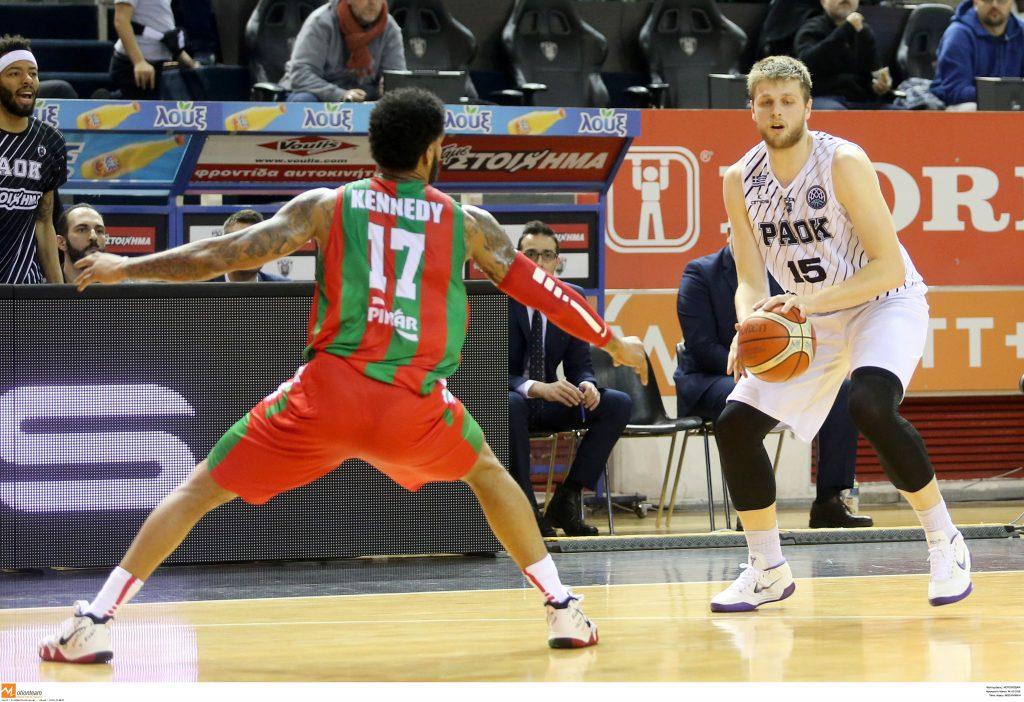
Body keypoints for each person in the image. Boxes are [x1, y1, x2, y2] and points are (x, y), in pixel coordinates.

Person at [37, 88, 648, 664]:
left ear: (373, 148)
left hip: (327, 394)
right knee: (490, 476)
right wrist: (608, 336)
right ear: (433, 148)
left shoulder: (329, 205)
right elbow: (540, 288)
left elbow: (224, 254)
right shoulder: (467, 222)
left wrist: (127, 267)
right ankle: (562, 608)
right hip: (415, 402)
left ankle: (95, 619)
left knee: (198, 491)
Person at [711, 55, 971, 613]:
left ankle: (944, 540)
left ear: (807, 106)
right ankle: (766, 568)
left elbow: (888, 267)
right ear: (751, 109)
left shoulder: (844, 161)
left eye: (787, 101)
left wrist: (803, 306)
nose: (776, 111)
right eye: (766, 102)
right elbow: (751, 279)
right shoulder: (739, 179)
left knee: (870, 404)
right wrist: (750, 322)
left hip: (883, 302)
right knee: (734, 426)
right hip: (810, 318)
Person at [674, 244, 871, 529]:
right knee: (742, 400)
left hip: (771, 372)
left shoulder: (785, 272)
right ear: (732, 229)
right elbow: (700, 346)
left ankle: (829, 502)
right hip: (710, 378)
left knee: (842, 390)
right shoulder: (701, 273)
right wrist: (760, 364)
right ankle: (754, 510)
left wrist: (783, 367)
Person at [508, 221, 632, 537]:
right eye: (530, 254)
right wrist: (535, 388)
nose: (538, 263)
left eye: (547, 255)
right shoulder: (496, 296)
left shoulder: (571, 298)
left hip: (551, 401)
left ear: (557, 262)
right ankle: (524, 508)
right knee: (510, 405)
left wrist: (586, 384)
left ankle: (568, 496)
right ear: (516, 258)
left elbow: (580, 364)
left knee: (615, 403)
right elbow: (485, 371)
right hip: (513, 398)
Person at [0, 35, 66, 284]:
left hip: (27, 287)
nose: (27, 79)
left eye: (33, 73)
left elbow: (44, 222)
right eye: (14, 73)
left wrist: (60, 295)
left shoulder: (50, 141)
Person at [281, 0, 406, 103]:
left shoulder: (390, 28)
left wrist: (387, 86)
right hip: (319, 92)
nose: (372, 2)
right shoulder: (321, 22)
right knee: (304, 100)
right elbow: (300, 75)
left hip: (363, 92)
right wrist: (340, 95)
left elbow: (397, 79)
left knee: (396, 103)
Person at [793, 0, 895, 110]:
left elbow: (873, 71)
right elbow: (807, 64)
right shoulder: (811, 28)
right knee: (837, 113)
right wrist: (846, 29)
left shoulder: (864, 31)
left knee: (897, 112)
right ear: (823, 2)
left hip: (860, 99)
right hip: (823, 97)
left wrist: (879, 86)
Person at [930, 0, 1024, 109]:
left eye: (1001, 0)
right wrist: (1005, 96)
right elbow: (954, 91)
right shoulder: (958, 34)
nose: (994, 5)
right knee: (971, 108)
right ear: (975, 1)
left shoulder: (1021, 32)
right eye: (987, 0)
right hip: (960, 108)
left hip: (1011, 105)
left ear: (1011, 2)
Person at [111, 0, 196, 100]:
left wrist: (186, 59)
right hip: (134, 66)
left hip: (160, 65)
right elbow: (121, 21)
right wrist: (139, 62)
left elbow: (160, 24)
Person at [208, 209, 288, 282]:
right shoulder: (199, 289)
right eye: (242, 243)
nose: (251, 250)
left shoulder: (285, 291)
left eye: (258, 243)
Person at [56, 204, 106, 286]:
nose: (94, 237)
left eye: (99, 231)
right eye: (82, 230)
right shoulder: (41, 291)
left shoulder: (123, 291)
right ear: (61, 242)